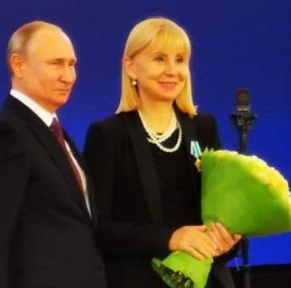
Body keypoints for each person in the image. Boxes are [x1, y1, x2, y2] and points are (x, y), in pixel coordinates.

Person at [83, 17, 241, 288]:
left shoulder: (204, 127)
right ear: (130, 67)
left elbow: (222, 210)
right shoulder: (107, 135)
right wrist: (170, 238)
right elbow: (99, 228)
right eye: (159, 59)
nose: (172, 70)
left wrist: (228, 238)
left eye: (180, 60)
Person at [0, 21, 106, 288]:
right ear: (18, 65)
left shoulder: (55, 134)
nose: (69, 76)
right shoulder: (6, 134)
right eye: (56, 63)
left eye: (72, 64)